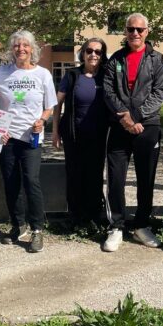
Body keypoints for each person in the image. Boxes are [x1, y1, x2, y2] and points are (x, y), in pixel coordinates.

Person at [102, 13, 163, 252]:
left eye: (140, 29)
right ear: (125, 31)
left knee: (146, 178)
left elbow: (160, 91)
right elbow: (108, 90)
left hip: (147, 126)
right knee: (116, 179)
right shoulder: (116, 59)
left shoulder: (157, 59)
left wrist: (137, 116)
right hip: (119, 125)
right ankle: (116, 227)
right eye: (131, 29)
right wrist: (125, 117)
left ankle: (142, 225)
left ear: (147, 32)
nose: (135, 33)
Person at [0, 30, 57, 253]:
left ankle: (37, 229)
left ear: (32, 49)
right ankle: (18, 225)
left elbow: (50, 106)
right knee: (11, 183)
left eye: (25, 45)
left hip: (31, 138)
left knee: (31, 181)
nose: (21, 49)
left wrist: (42, 120)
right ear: (11, 49)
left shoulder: (43, 74)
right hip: (7, 138)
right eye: (17, 45)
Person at [52, 38, 109, 228]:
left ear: (102, 55)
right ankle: (75, 217)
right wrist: (55, 131)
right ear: (83, 53)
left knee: (94, 175)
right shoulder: (72, 75)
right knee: (75, 174)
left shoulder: (106, 76)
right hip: (73, 134)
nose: (93, 54)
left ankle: (94, 216)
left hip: (98, 135)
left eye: (98, 52)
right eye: (89, 51)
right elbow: (58, 103)